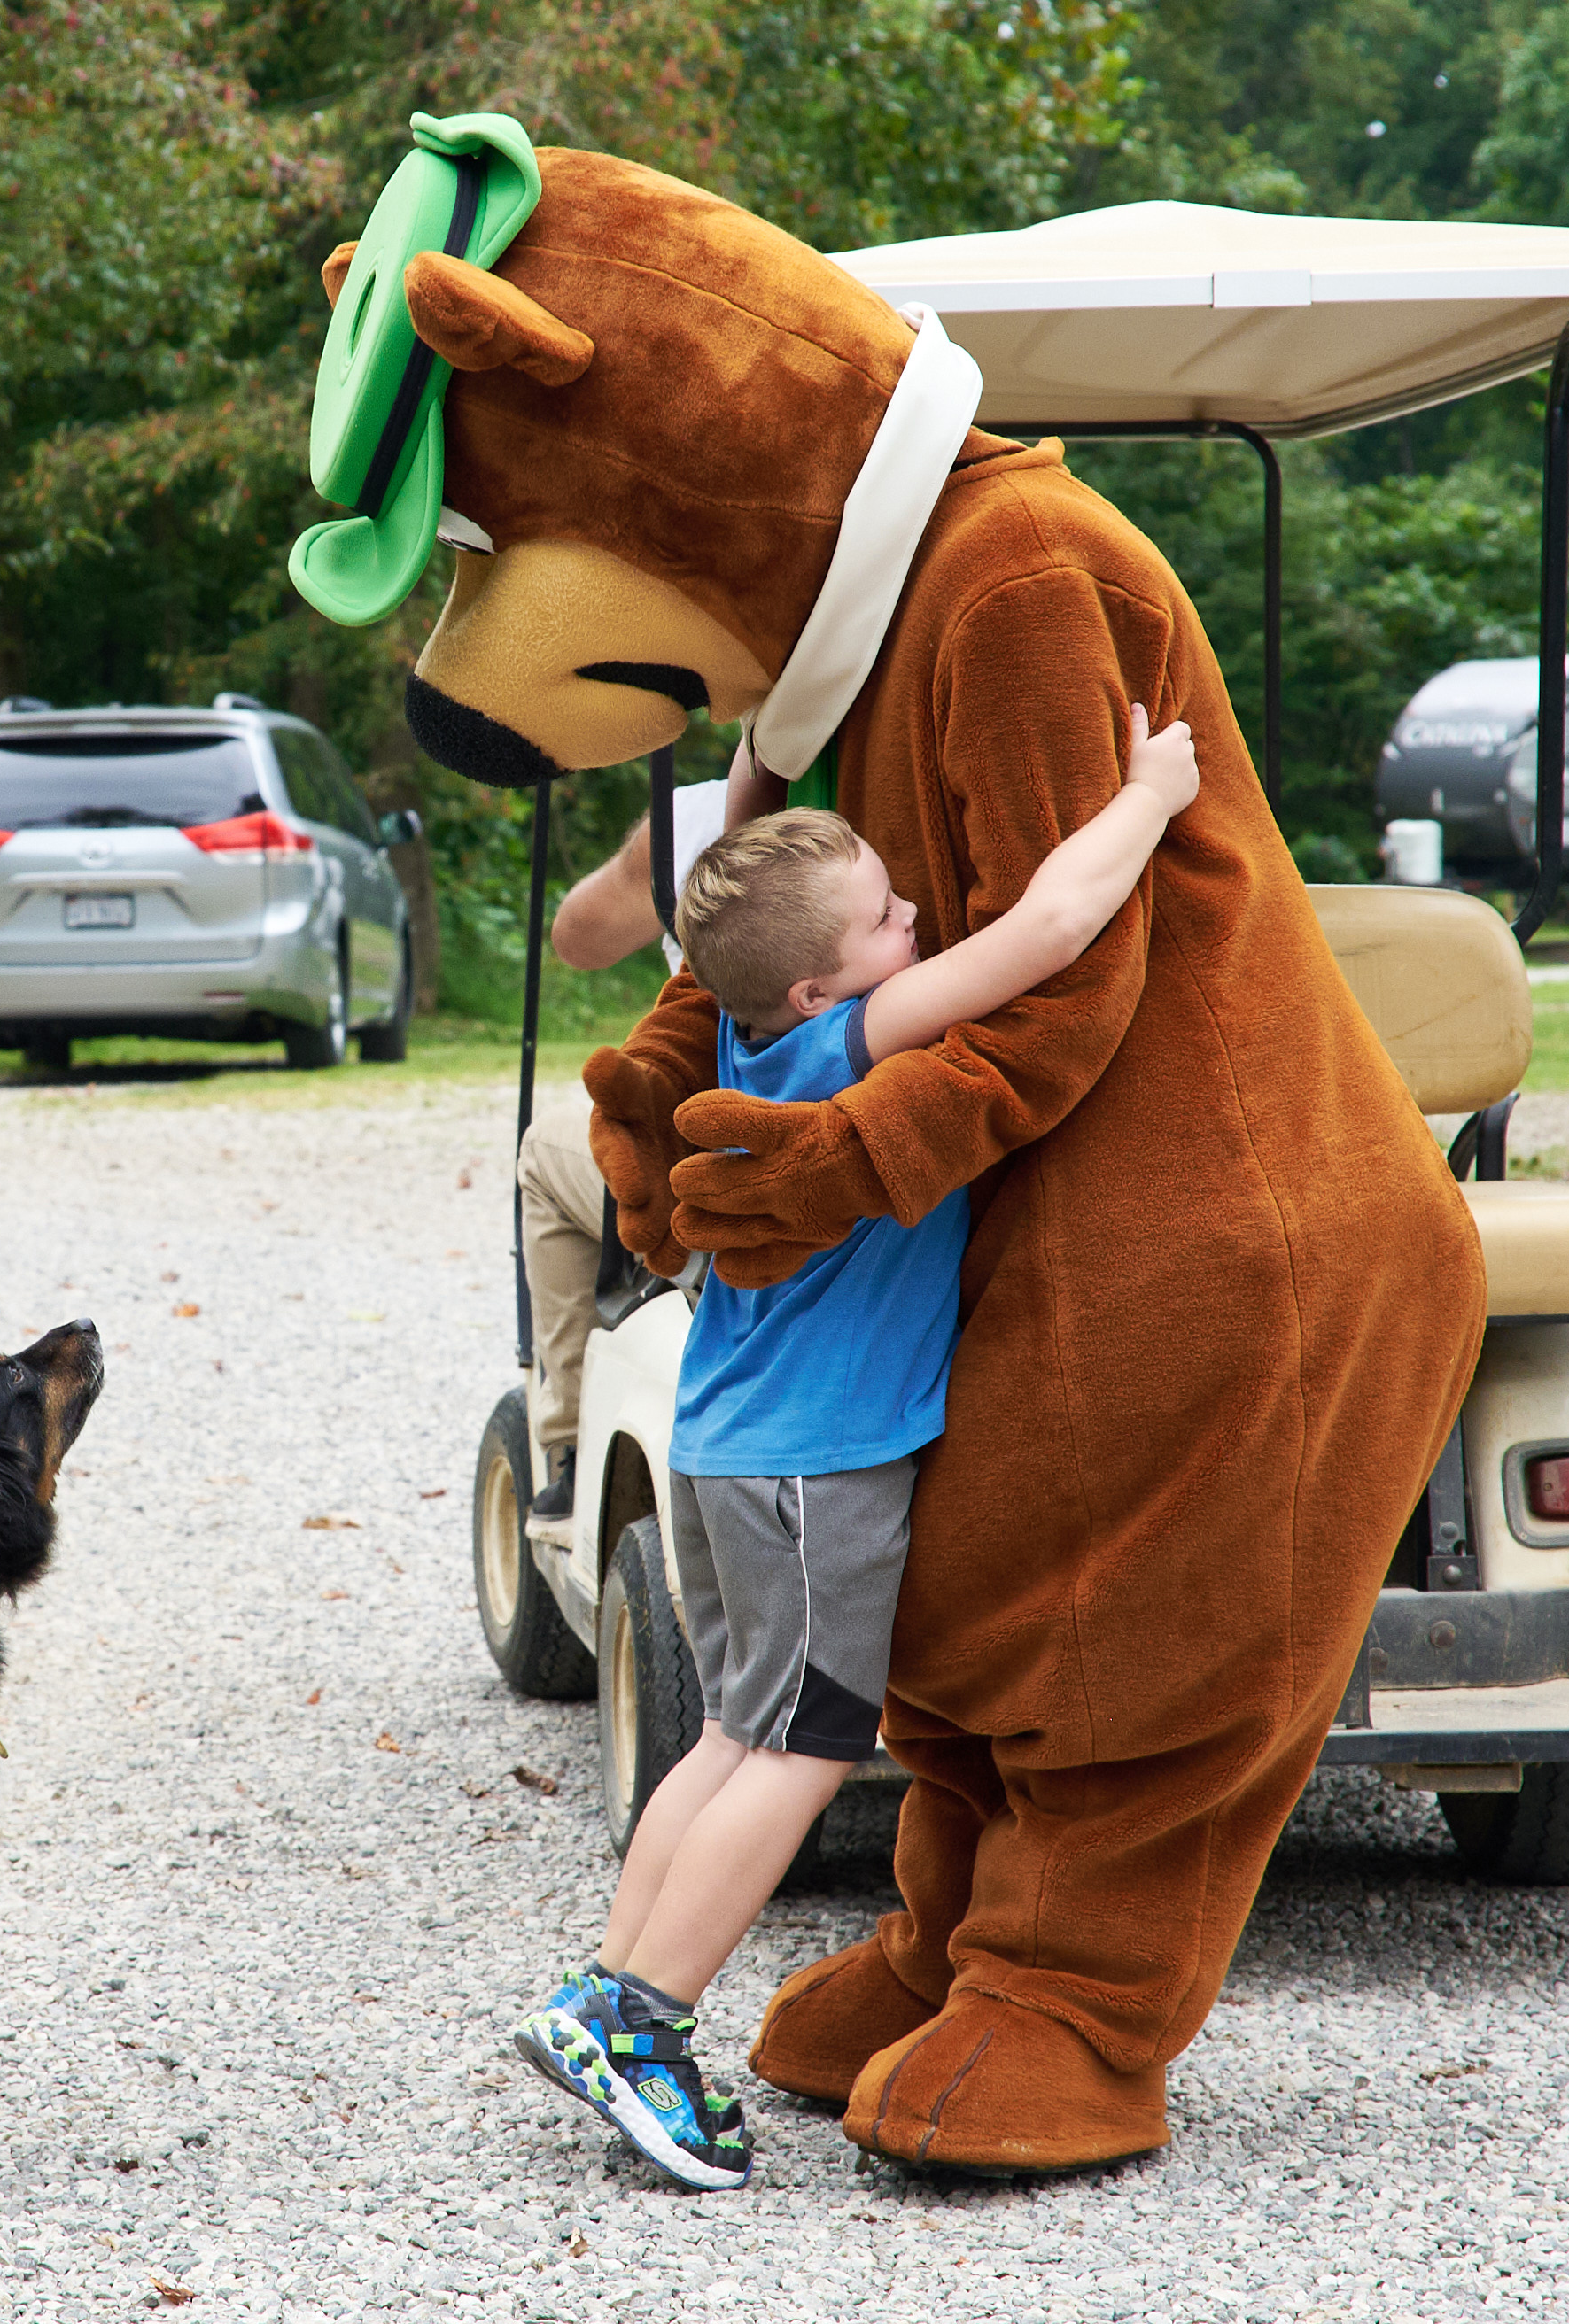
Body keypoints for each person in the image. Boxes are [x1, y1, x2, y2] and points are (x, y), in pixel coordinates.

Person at [512, 706, 1198, 2189]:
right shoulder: (842, 1042)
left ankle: (601, 1990)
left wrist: (760, 760)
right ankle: (644, 2019)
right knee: (809, 1748)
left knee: (730, 1733)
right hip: (818, 1471)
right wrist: (1150, 792)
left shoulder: (740, 1012)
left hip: (727, 1443)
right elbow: (1051, 926)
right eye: (890, 917)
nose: (914, 921)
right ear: (822, 979)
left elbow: (721, 901)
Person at [514, 764, 730, 1519]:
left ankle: (567, 1439)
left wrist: (656, 839)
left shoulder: (695, 823)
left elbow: (578, 937)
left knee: (544, 1149)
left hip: (704, 1179)